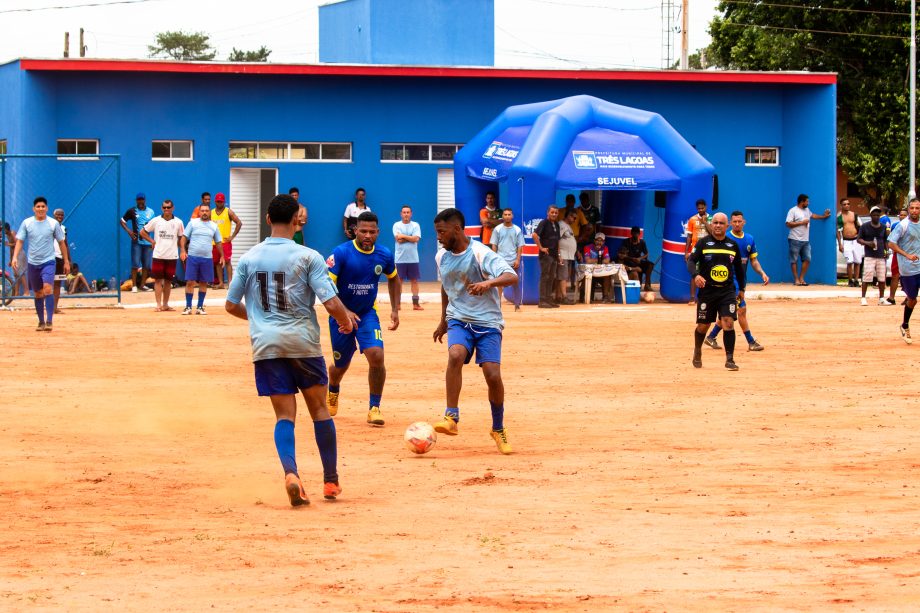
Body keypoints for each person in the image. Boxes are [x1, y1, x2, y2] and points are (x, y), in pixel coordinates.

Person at [225, 193, 355, 506]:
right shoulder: (308, 256)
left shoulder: (249, 258)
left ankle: (291, 473)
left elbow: (230, 305)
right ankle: (330, 481)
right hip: (303, 343)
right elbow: (331, 301)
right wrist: (346, 321)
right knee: (320, 410)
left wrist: (257, 319)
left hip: (266, 345)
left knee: (285, 416)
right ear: (297, 220)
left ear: (268, 219)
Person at [431, 207, 518, 454]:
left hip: (488, 323)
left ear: (456, 229)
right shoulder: (442, 257)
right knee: (456, 354)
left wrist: (488, 282)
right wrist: (443, 320)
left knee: (492, 375)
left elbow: (511, 276)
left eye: (441, 232)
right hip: (459, 319)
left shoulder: (480, 253)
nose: (438, 237)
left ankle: (498, 428)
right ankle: (451, 416)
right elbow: (446, 287)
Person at [326, 211, 401, 427]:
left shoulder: (384, 254)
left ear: (378, 232)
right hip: (340, 315)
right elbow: (326, 285)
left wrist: (395, 309)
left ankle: (374, 407)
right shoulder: (341, 253)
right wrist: (343, 312)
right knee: (341, 365)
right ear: (354, 231)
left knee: (376, 355)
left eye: (372, 232)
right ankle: (333, 389)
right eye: (363, 231)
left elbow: (394, 279)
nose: (368, 235)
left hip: (368, 314)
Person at [704, 210, 769, 352]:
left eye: (740, 221)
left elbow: (754, 260)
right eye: (734, 221)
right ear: (730, 224)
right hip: (729, 283)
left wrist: (762, 273)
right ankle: (751, 342)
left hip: (740, 282)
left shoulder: (749, 239)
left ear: (744, 222)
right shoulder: (725, 239)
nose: (737, 224)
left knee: (727, 314)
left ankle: (711, 336)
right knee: (741, 311)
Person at [690, 212, 746, 370]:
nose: (718, 226)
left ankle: (730, 359)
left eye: (721, 223)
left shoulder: (732, 245)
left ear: (726, 226)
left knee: (728, 322)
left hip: (727, 292)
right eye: (715, 223)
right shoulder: (703, 243)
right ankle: (698, 350)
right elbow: (691, 261)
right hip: (707, 292)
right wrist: (696, 275)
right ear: (711, 224)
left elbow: (739, 270)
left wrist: (742, 288)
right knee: (703, 325)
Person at [11, 196, 70, 331]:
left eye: (43, 206)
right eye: (38, 207)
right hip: (33, 263)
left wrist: (66, 261)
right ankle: (41, 321)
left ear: (47, 208)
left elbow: (62, 242)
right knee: (38, 293)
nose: (40, 209)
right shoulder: (27, 223)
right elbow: (20, 241)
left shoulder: (53, 223)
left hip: (49, 262)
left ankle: (49, 321)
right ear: (34, 209)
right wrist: (14, 257)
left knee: (47, 288)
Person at [140, 199, 185, 312]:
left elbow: (181, 238)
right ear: (161, 208)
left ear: (173, 208)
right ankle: (158, 305)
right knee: (158, 281)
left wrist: (183, 250)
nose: (166, 209)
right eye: (164, 207)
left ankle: (165, 304)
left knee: (169, 281)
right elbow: (142, 232)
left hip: (172, 256)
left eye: (168, 207)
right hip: (158, 255)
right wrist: (151, 241)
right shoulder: (156, 221)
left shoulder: (178, 222)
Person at [887, 197, 920, 344]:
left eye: (917, 208)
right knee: (912, 300)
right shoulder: (903, 225)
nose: (914, 211)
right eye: (912, 208)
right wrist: (907, 255)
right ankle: (905, 325)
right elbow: (891, 244)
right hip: (908, 269)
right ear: (908, 209)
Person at [180, 203, 223, 315]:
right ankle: (188, 307)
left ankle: (200, 307)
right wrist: (183, 251)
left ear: (209, 212)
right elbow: (184, 238)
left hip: (207, 258)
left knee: (204, 282)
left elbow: (218, 242)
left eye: (206, 211)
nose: (204, 213)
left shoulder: (214, 226)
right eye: (202, 211)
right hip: (193, 257)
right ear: (199, 212)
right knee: (190, 282)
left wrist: (222, 255)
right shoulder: (193, 223)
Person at [785, 193, 831, 286]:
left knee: (807, 259)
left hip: (805, 240)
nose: (808, 203)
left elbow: (812, 215)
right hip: (794, 239)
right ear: (802, 202)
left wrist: (823, 216)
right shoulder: (793, 210)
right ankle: (796, 279)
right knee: (794, 260)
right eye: (807, 201)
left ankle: (802, 278)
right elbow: (788, 224)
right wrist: (802, 222)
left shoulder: (807, 210)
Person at [489, 207, 525, 311]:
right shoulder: (497, 229)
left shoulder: (517, 230)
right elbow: (494, 245)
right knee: (499, 284)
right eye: (505, 214)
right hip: (500, 261)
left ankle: (517, 305)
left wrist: (518, 259)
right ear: (503, 216)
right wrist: (494, 259)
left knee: (515, 283)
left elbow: (520, 246)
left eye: (509, 214)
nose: (507, 216)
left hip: (513, 261)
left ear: (512, 216)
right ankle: (498, 305)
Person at [120, 193, 156, 293]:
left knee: (147, 266)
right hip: (137, 242)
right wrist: (129, 231)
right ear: (136, 200)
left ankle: (142, 285)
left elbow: (154, 225)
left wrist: (153, 241)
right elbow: (122, 221)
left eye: (142, 200)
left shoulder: (151, 212)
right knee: (135, 264)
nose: (140, 201)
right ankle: (134, 286)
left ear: (145, 200)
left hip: (148, 243)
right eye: (138, 200)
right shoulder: (132, 211)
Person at [392, 205, 423, 310]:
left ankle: (415, 304)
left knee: (414, 281)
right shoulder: (396, 225)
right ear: (401, 214)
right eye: (404, 212)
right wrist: (411, 237)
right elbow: (398, 239)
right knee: (399, 281)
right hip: (400, 258)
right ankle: (397, 304)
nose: (406, 214)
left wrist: (404, 236)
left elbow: (416, 239)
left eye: (408, 212)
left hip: (413, 258)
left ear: (411, 214)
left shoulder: (415, 225)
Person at [210, 192, 242, 289]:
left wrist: (232, 237)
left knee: (227, 262)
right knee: (217, 263)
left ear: (224, 202)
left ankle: (230, 283)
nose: (219, 203)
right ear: (215, 201)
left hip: (225, 242)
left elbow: (239, 223)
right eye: (218, 201)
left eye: (221, 201)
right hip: (214, 242)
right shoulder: (211, 212)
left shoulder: (228, 212)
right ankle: (221, 283)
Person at [532, 204, 561, 308]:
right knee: (545, 277)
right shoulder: (544, 222)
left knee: (552, 277)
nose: (554, 214)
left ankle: (549, 299)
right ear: (547, 213)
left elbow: (557, 240)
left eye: (556, 213)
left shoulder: (557, 224)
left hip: (554, 255)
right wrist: (541, 248)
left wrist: (559, 254)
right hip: (546, 255)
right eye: (552, 212)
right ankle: (542, 300)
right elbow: (534, 235)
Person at [684, 199, 711, 303]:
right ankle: (692, 298)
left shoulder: (711, 218)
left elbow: (712, 233)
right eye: (699, 208)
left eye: (702, 208)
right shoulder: (692, 219)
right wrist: (686, 252)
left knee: (707, 274)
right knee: (694, 273)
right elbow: (689, 237)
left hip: (709, 249)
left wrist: (705, 222)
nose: (700, 210)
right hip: (696, 251)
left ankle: (704, 298)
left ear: (706, 207)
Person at [836, 198, 862, 287]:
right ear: (841, 205)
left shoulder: (854, 215)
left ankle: (856, 280)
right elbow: (838, 231)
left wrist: (860, 238)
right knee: (849, 261)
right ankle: (850, 280)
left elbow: (860, 226)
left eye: (848, 204)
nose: (847, 205)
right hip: (846, 241)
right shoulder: (839, 217)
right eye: (844, 204)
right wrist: (840, 243)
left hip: (856, 240)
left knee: (857, 261)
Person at [620, 226, 654, 291]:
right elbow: (622, 255)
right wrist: (633, 259)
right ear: (631, 233)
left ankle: (647, 285)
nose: (635, 235)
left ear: (639, 234)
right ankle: (638, 283)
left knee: (650, 265)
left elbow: (646, 253)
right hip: (629, 261)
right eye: (634, 233)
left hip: (638, 261)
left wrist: (640, 258)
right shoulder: (626, 242)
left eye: (637, 233)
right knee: (633, 265)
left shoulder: (642, 242)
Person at [554, 210, 577, 304]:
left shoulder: (568, 226)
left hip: (568, 255)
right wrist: (559, 254)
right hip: (563, 255)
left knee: (563, 276)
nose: (574, 220)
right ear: (568, 216)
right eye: (573, 217)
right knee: (562, 276)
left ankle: (559, 296)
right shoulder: (561, 225)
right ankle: (564, 297)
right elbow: (557, 239)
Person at [583, 232, 613, 303]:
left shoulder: (605, 248)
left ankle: (605, 297)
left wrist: (595, 260)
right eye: (597, 240)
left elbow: (607, 260)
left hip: (600, 273)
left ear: (604, 242)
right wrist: (599, 260)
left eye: (601, 241)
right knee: (587, 276)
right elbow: (587, 260)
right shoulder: (587, 247)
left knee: (607, 275)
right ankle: (587, 297)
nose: (599, 242)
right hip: (589, 272)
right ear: (594, 240)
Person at [888, 207, 908, 304]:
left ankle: (909, 297)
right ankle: (891, 298)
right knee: (895, 275)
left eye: (905, 215)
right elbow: (891, 240)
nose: (903, 216)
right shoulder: (895, 226)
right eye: (901, 215)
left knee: (909, 275)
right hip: (898, 252)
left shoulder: (912, 225)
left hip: (909, 253)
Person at [51, 208, 67, 314]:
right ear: (54, 215)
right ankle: (45, 307)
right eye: (58, 215)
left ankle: (54, 307)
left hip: (60, 259)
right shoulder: (49, 226)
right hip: (49, 258)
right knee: (46, 283)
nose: (60, 217)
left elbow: (65, 245)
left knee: (57, 283)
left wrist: (68, 260)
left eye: (61, 215)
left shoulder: (64, 228)